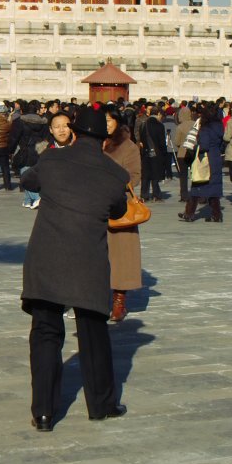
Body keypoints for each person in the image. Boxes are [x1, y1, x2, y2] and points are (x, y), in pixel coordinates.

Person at [20, 106, 129, 431]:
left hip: (47, 256)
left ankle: (43, 412)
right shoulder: (114, 174)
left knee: (45, 333)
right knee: (94, 334)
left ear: (75, 131)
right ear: (104, 138)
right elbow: (118, 208)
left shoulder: (52, 160)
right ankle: (101, 404)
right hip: (87, 259)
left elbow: (28, 179)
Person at [103, 107, 142, 322]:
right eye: (103, 121)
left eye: (110, 120)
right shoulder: (92, 143)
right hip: (94, 206)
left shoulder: (128, 147)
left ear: (118, 122)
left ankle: (119, 301)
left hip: (119, 207)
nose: (106, 124)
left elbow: (135, 176)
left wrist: (111, 180)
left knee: (121, 257)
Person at [179, 102, 224, 223]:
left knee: (197, 186)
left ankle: (189, 213)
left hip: (205, 158)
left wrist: (194, 148)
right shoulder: (219, 126)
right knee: (214, 188)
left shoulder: (205, 128)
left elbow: (203, 145)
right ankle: (217, 214)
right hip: (216, 157)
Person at [9, 100, 49, 208]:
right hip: (40, 151)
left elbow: (14, 137)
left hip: (25, 151)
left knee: (25, 176)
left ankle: (36, 197)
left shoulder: (20, 121)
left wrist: (10, 150)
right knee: (32, 174)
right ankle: (27, 201)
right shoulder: (44, 122)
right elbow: (46, 138)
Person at [139, 107, 166, 201]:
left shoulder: (144, 124)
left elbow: (141, 138)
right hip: (156, 152)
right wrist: (163, 153)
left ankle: (144, 195)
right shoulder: (159, 125)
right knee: (155, 174)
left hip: (146, 152)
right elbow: (162, 142)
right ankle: (156, 195)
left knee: (145, 175)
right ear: (158, 114)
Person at [174, 105, 195, 201]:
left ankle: (184, 195)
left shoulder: (180, 127)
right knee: (195, 174)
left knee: (183, 176)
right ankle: (197, 194)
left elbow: (177, 142)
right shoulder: (196, 124)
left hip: (182, 153)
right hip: (194, 152)